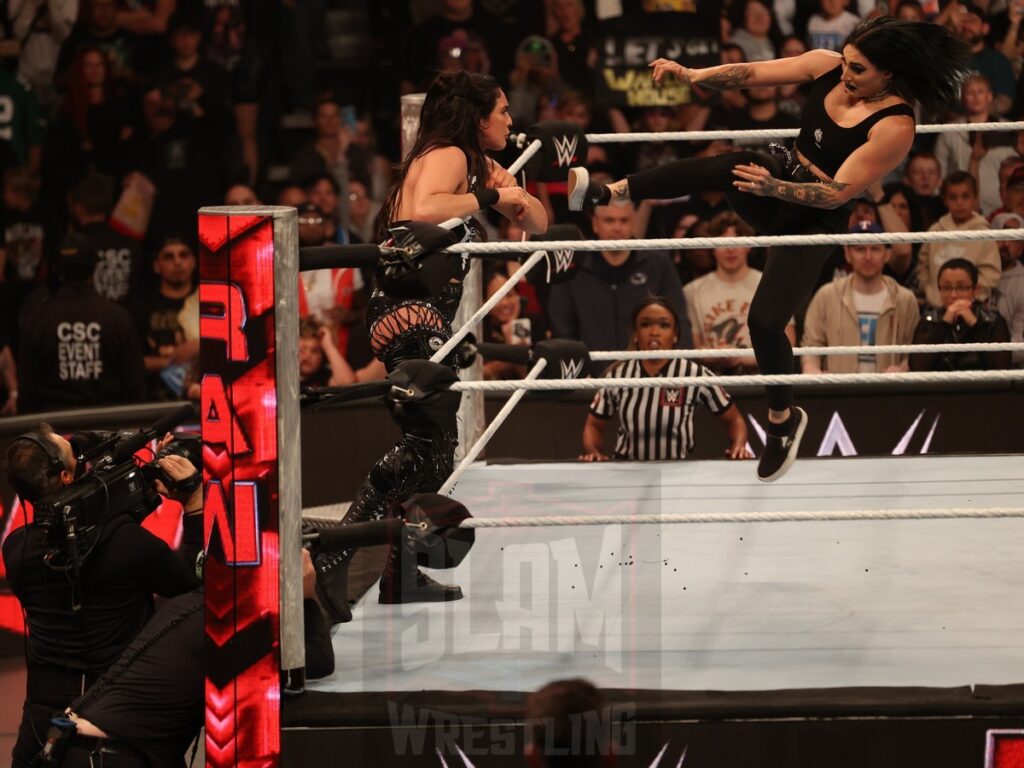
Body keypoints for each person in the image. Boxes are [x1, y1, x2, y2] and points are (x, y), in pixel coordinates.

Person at [567, 17, 970, 481]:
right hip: (779, 180)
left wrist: (773, 187)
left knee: (763, 322)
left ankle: (782, 421)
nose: (846, 74)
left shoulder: (895, 126)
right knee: (733, 163)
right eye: (848, 61)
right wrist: (695, 76)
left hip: (814, 217)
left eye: (859, 70)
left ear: (888, 76)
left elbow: (837, 194)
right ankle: (610, 192)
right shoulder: (827, 66)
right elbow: (755, 73)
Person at [313, 69, 546, 623]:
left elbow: (536, 219)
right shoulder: (448, 155)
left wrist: (513, 197)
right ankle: (335, 558)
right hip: (408, 313)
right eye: (503, 112)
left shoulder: (471, 161)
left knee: (433, 450)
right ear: (477, 116)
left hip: (422, 316)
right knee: (433, 445)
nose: (511, 122)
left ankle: (393, 569)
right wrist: (491, 194)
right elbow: (423, 213)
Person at [3, 424, 199, 766]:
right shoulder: (126, 543)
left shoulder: (16, 549)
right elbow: (189, 580)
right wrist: (194, 503)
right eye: (70, 451)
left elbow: (91, 535)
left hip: (41, 725)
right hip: (111, 725)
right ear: (66, 476)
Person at [580, 298, 751, 462]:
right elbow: (593, 425)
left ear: (675, 335)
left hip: (678, 471)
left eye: (664, 325)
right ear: (636, 334)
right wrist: (593, 453)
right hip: (627, 470)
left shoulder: (693, 374)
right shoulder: (619, 375)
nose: (654, 332)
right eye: (645, 324)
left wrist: (738, 447)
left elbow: (734, 419)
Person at [18, 234, 146, 413]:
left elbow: (26, 391)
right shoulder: (117, 317)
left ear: (55, 268)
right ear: (94, 267)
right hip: (109, 427)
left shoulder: (36, 319)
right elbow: (135, 387)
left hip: (52, 429)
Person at [548, 202, 691, 361]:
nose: (617, 228)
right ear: (595, 224)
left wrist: (676, 368)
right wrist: (576, 371)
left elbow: (679, 321)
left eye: (624, 220)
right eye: (609, 220)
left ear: (634, 222)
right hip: (589, 376)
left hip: (648, 375)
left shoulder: (657, 264)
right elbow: (561, 327)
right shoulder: (573, 266)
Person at [684, 211, 795, 375]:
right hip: (712, 381)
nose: (731, 249)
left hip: (762, 380)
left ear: (750, 244)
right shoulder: (692, 291)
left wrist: (744, 358)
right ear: (712, 246)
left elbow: (789, 342)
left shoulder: (771, 284)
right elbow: (692, 346)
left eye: (737, 241)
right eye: (724, 242)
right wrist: (717, 355)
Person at [802, 222, 920, 373]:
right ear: (847, 253)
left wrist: (903, 369)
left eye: (875, 249)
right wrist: (813, 371)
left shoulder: (904, 299)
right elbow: (811, 347)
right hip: (839, 391)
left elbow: (914, 353)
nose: (868, 257)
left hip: (888, 391)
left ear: (887, 254)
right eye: (860, 249)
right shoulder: (827, 295)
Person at [916, 171, 1001, 310]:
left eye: (965, 196)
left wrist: (971, 298)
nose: (960, 203)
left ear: (975, 198)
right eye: (953, 197)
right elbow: (923, 268)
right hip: (937, 307)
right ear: (945, 200)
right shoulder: (935, 230)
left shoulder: (984, 233)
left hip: (972, 308)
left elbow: (991, 274)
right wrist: (931, 293)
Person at [910, 257, 1012, 371]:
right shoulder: (929, 320)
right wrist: (944, 323)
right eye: (946, 288)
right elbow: (917, 367)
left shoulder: (993, 320)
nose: (953, 295)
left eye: (961, 288)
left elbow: (1001, 367)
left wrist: (974, 324)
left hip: (982, 386)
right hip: (939, 387)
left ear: (976, 289)